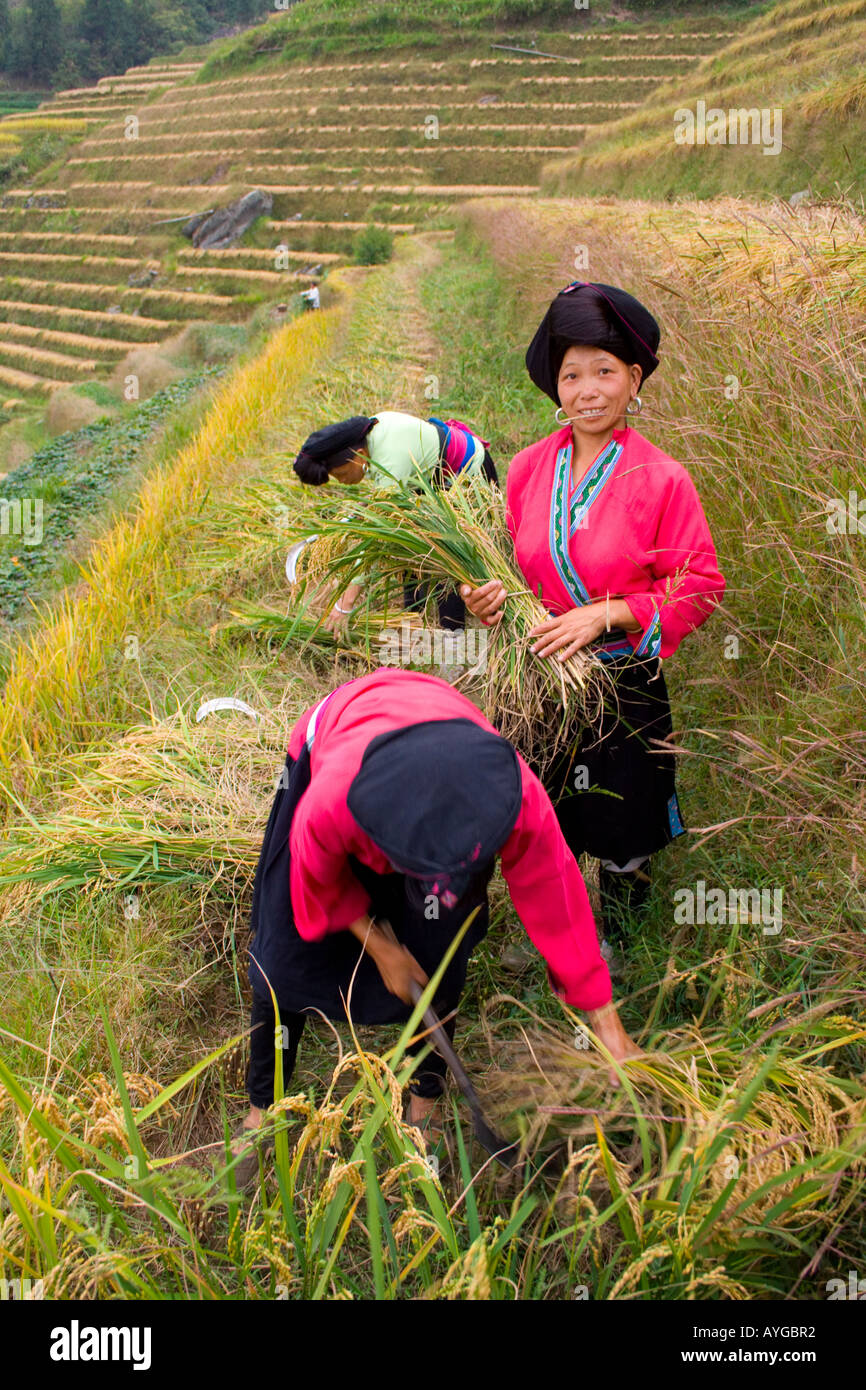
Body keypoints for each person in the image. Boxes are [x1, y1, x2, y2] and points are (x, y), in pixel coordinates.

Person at [233, 668, 640, 1172]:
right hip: (353, 740)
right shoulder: (330, 802)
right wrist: (379, 944)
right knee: (283, 964)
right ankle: (262, 1110)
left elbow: (556, 897)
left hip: (441, 751)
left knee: (437, 958)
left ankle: (424, 1104)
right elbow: (314, 881)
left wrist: (606, 1023)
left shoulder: (512, 791)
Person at [460, 280, 725, 963]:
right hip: (540, 677)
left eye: (604, 371)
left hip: (623, 680)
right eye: (571, 374)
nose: (587, 389)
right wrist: (483, 598)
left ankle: (625, 944)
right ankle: (555, 935)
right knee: (536, 809)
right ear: (555, 387)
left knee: (621, 813)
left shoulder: (663, 479)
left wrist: (610, 612)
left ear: (634, 379)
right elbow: (503, 564)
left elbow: (699, 585)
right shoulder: (525, 470)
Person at [292, 411, 498, 631]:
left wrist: (345, 603)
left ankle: (452, 636)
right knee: (406, 544)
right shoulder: (369, 435)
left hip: (468, 475)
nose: (343, 481)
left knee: (446, 556)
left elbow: (376, 542)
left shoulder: (390, 458)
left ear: (359, 454)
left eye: (342, 473)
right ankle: (413, 616)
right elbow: (384, 497)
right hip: (429, 482)